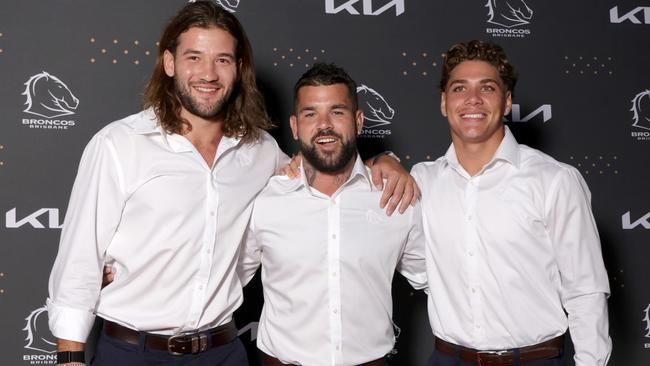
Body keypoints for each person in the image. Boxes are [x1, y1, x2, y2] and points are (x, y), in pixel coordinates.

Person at [46, 2, 417, 365]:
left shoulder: (261, 152)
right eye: (194, 57)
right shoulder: (119, 144)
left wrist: (382, 161)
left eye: (222, 60)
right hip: (133, 351)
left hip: (222, 350)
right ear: (170, 63)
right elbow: (79, 260)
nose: (208, 73)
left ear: (238, 69)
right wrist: (70, 356)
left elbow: (326, 167)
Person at [411, 40, 612, 366]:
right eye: (459, 88)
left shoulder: (555, 180)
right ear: (444, 102)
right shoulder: (423, 181)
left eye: (487, 88)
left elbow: (585, 290)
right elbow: (417, 267)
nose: (472, 99)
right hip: (448, 358)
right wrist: (385, 160)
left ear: (506, 102)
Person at [237, 63, 427, 366]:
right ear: (295, 126)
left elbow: (439, 279)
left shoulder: (396, 198)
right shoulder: (265, 199)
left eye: (337, 112)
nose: (324, 124)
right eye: (311, 114)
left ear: (359, 120)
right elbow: (224, 279)